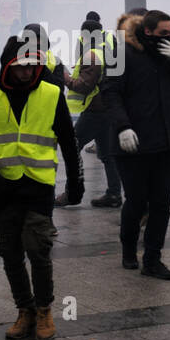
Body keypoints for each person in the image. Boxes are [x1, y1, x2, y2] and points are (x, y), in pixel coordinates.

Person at [0, 36, 82, 340]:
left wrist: (75, 183)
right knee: (9, 252)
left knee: (38, 249)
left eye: (32, 66)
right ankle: (25, 310)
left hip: (38, 186)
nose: (27, 72)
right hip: (2, 188)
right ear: (8, 66)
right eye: (20, 67)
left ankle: (45, 310)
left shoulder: (50, 93)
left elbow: (68, 142)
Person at [98, 10, 170, 279]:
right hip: (132, 144)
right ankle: (129, 249)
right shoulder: (119, 52)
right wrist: (123, 127)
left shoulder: (168, 54)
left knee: (161, 204)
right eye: (164, 33)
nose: (169, 38)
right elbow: (110, 93)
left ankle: (153, 259)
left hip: (164, 142)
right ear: (147, 31)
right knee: (137, 202)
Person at [60, 19, 121, 208]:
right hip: (107, 109)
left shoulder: (93, 55)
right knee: (107, 154)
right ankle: (114, 194)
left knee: (72, 147)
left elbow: (84, 86)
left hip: (95, 111)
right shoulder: (107, 50)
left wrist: (66, 78)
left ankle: (71, 193)